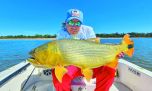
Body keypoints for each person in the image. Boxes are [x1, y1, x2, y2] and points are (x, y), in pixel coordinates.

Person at [52, 9, 124, 91]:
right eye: (71, 22)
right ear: (66, 23)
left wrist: (113, 52)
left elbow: (96, 47)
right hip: (72, 64)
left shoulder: (88, 30)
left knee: (109, 70)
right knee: (59, 76)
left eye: (78, 23)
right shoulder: (61, 34)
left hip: (90, 63)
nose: (74, 26)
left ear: (81, 24)